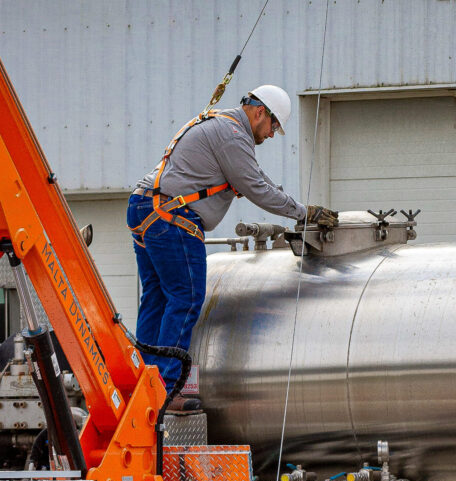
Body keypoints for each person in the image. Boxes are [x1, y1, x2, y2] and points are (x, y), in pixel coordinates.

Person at [127, 85, 338, 408]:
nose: (271, 135)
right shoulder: (233, 136)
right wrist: (304, 212)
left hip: (146, 207)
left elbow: (257, 177)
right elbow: (257, 188)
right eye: (273, 127)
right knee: (186, 297)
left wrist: (293, 203)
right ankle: (166, 390)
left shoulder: (222, 126)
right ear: (259, 113)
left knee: (157, 297)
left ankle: (142, 383)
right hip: (172, 217)